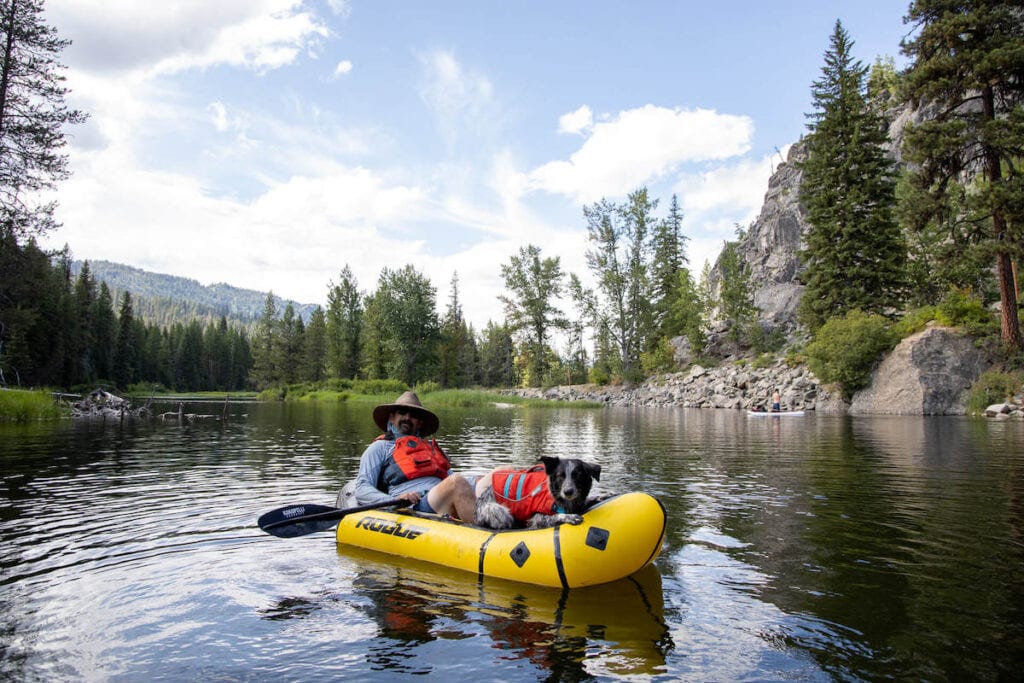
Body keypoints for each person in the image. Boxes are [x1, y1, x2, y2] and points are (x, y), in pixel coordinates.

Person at [353, 391, 477, 522]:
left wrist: (480, 482)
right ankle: (482, 533)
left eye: (414, 415)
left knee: (491, 478)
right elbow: (361, 488)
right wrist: (394, 500)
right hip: (416, 506)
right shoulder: (379, 448)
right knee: (456, 482)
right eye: (402, 412)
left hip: (440, 498)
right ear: (392, 417)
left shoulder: (431, 449)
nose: (407, 417)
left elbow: (450, 477)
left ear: (419, 423)